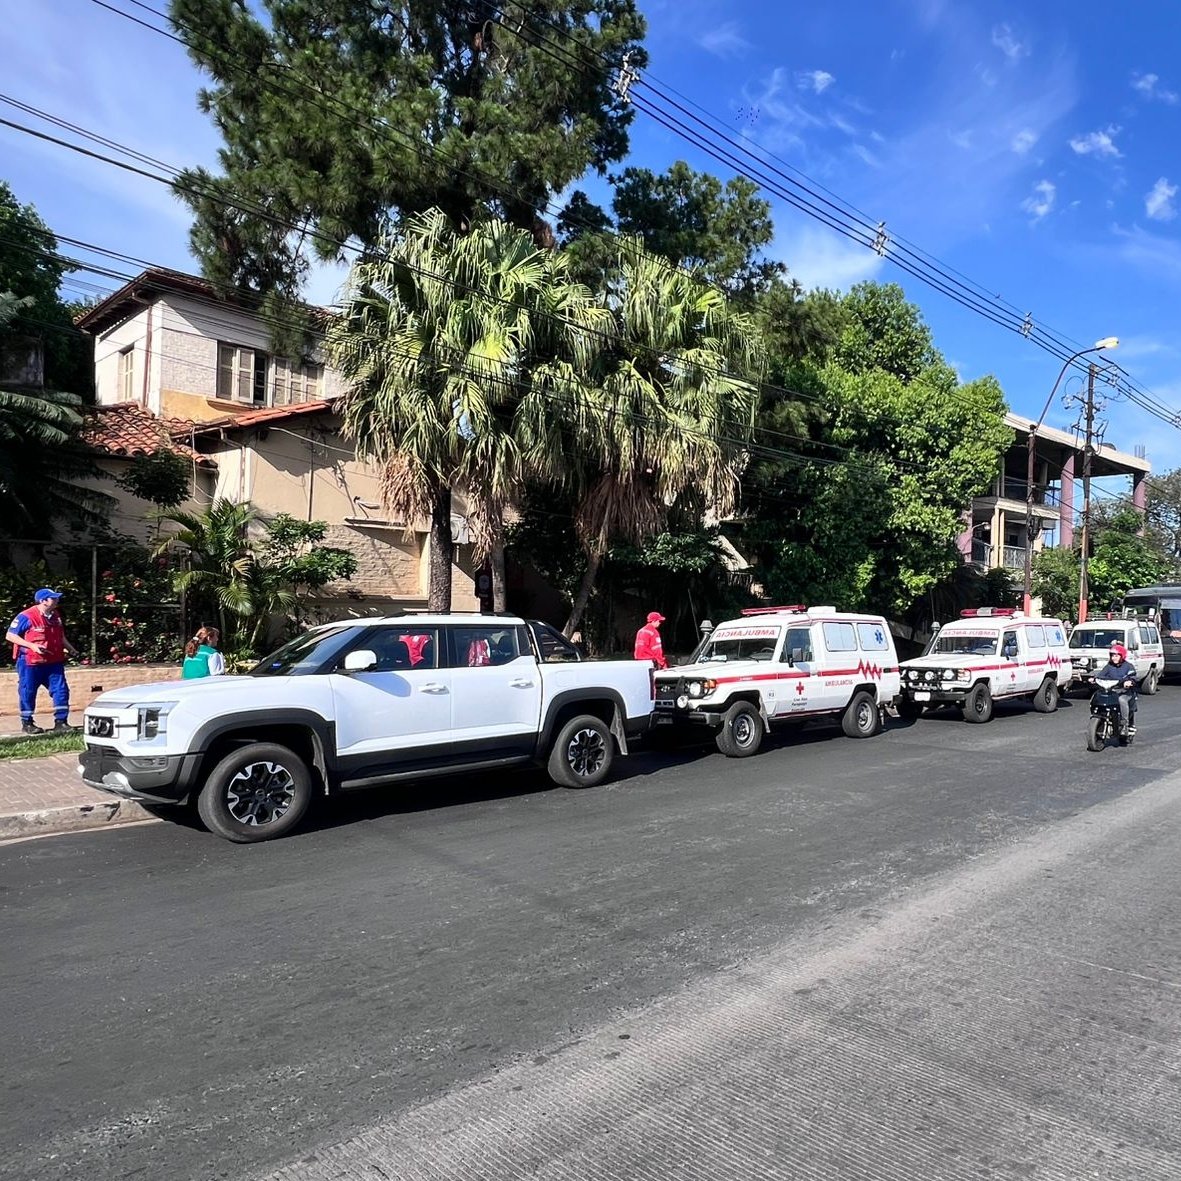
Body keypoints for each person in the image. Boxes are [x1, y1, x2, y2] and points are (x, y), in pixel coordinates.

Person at [6, 588, 77, 734]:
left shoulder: (55, 616)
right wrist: (32, 646)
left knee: (61, 690)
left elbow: (60, 636)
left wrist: (70, 648)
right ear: (43, 601)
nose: (57, 600)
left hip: (53, 662)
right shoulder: (26, 616)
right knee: (28, 691)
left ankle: (61, 722)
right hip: (30, 663)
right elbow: (10, 636)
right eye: (53, 598)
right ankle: (27, 723)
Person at [1095, 641, 1138, 735]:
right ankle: (1097, 717)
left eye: (1116, 655)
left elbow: (1133, 677)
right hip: (1111, 691)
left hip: (1125, 692)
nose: (1114, 658)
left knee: (1121, 700)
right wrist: (1093, 679)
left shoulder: (1128, 666)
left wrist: (1129, 682)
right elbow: (1100, 675)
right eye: (1112, 655)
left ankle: (1124, 725)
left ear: (1122, 656)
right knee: (1097, 697)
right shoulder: (1108, 666)